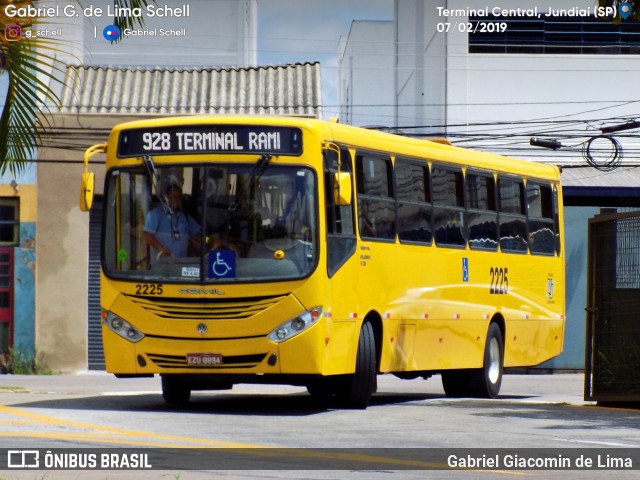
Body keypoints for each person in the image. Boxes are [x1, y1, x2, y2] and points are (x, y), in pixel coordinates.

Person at [143, 182, 201, 262]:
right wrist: (161, 248)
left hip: (180, 266)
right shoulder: (156, 214)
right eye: (172, 197)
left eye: (178, 197)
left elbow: (201, 237)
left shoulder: (185, 217)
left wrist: (211, 240)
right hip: (162, 266)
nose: (175, 200)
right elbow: (147, 235)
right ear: (166, 197)